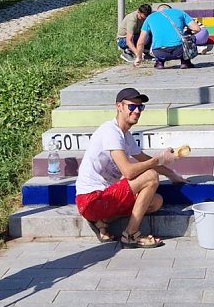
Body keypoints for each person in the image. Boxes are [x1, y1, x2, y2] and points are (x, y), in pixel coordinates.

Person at [75, 87, 185, 248]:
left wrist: (172, 175)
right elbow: (128, 171)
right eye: (131, 106)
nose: (137, 111)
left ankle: (103, 221)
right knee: (151, 176)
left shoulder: (125, 135)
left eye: (140, 107)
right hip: (91, 200)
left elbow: (143, 158)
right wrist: (159, 159)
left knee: (156, 202)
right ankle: (130, 234)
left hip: (105, 198)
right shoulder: (111, 132)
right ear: (119, 107)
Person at [134, 4, 202, 69]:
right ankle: (185, 62)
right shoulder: (179, 12)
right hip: (180, 51)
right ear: (170, 9)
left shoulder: (150, 17)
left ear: (158, 10)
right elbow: (197, 29)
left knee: (154, 40)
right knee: (191, 37)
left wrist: (139, 58)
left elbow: (140, 42)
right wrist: (187, 32)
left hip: (159, 52)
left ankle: (159, 62)